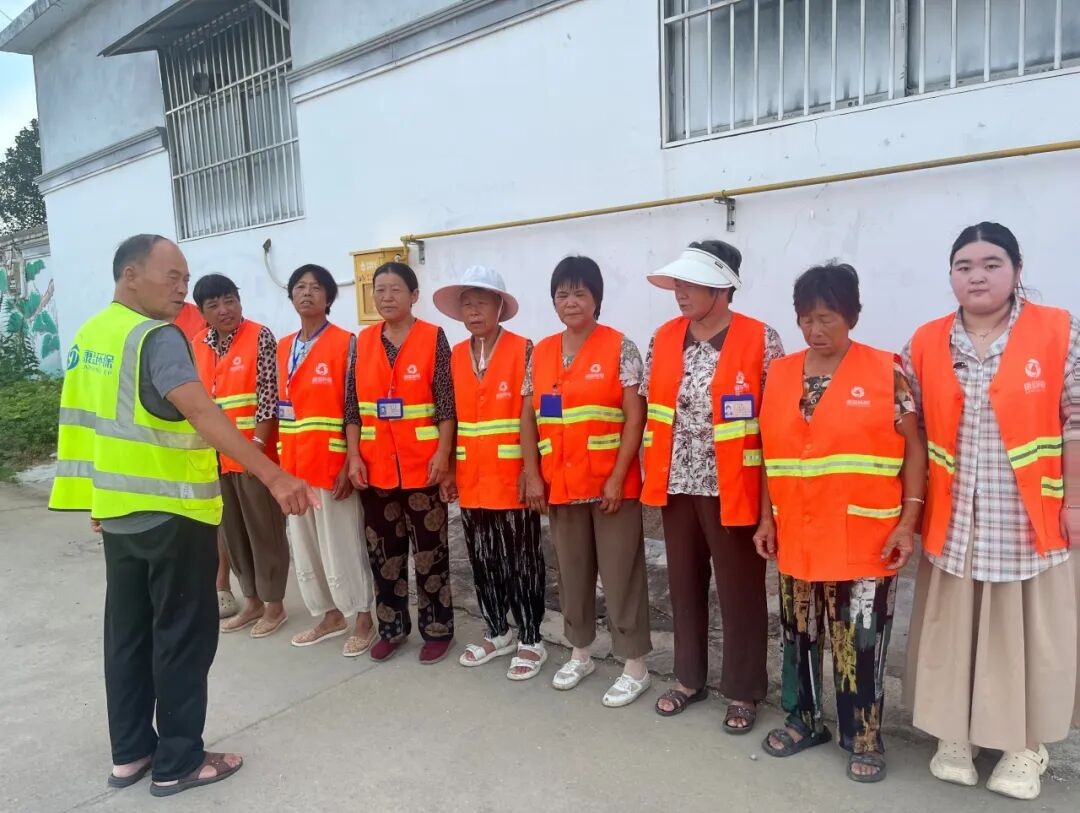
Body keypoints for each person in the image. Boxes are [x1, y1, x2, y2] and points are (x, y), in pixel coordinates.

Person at [50, 235, 316, 797]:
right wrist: (273, 475)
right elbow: (200, 410)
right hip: (172, 513)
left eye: (185, 278)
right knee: (181, 639)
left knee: (128, 637)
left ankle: (131, 754)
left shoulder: (91, 335)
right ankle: (179, 761)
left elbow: (90, 425)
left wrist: (97, 498)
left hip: (119, 513)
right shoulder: (156, 336)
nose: (181, 289)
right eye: (171, 276)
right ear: (130, 275)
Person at [902, 222, 1079, 801]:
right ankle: (954, 734)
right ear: (951, 275)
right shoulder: (925, 341)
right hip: (954, 518)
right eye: (964, 266)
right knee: (953, 628)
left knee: (1024, 634)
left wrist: (1076, 501)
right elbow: (909, 429)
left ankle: (1025, 744)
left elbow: (1077, 420)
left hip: (1028, 519)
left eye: (991, 264)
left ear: (1018, 270)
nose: (976, 276)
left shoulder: (1059, 331)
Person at [754, 263, 925, 783]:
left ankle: (864, 736)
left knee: (860, 643)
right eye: (806, 319)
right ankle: (804, 720)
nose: (815, 330)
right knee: (798, 635)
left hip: (865, 538)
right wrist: (766, 518)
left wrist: (908, 521)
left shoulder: (885, 371)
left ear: (852, 315)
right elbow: (771, 454)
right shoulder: (781, 374)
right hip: (797, 533)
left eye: (826, 318)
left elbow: (914, 449)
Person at [640, 241, 784, 731]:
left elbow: (775, 423)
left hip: (733, 488)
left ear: (722, 288)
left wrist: (768, 507)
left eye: (690, 285)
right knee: (683, 586)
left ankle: (743, 690)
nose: (679, 293)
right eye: (677, 284)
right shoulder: (664, 338)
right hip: (676, 485)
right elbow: (653, 408)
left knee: (740, 593)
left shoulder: (761, 339)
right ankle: (688, 679)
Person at [520, 255, 653, 707]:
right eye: (562, 294)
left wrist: (618, 476)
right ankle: (580, 653)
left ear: (596, 298)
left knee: (621, 576)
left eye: (580, 293)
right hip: (560, 485)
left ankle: (635, 665)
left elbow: (635, 417)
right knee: (572, 574)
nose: (571, 302)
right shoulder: (541, 353)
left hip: (611, 488)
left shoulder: (620, 347)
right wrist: (532, 475)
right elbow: (528, 418)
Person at [433, 266, 548, 680]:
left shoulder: (524, 350)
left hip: (512, 476)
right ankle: (497, 630)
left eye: (481, 302)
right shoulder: (454, 356)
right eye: (467, 303)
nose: (473, 310)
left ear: (499, 306)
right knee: (483, 558)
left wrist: (531, 471)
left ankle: (531, 637)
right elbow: (450, 416)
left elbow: (531, 415)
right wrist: (448, 468)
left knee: (523, 560)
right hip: (472, 477)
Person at [346, 261, 457, 665]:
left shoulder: (433, 337)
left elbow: (446, 403)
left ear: (414, 296)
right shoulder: (362, 342)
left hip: (423, 467)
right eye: (379, 289)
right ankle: (392, 629)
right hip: (375, 470)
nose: (386, 297)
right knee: (384, 555)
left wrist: (443, 455)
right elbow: (352, 408)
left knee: (430, 554)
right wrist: (354, 456)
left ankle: (438, 629)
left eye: (395, 289)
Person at [277, 264, 377, 656]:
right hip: (293, 468)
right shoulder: (283, 347)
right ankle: (330, 615)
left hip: (331, 465)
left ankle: (364, 618)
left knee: (343, 545)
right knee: (307, 548)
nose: (307, 293)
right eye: (300, 287)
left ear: (329, 297)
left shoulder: (345, 343)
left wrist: (350, 462)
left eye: (316, 287)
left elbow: (354, 407)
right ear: (291, 296)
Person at [192, 274, 290, 638]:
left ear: (239, 300)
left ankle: (274, 605)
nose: (224, 310)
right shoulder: (197, 344)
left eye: (229, 300)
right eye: (214, 305)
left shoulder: (259, 336)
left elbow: (268, 398)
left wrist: (258, 449)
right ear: (203, 312)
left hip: (253, 456)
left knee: (265, 532)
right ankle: (252, 601)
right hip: (216, 459)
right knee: (233, 534)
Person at [171, 301, 237, 619]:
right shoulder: (138, 321)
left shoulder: (194, 319)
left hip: (209, 434)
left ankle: (221, 584)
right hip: (170, 439)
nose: (177, 286)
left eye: (183, 279)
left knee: (216, 515)